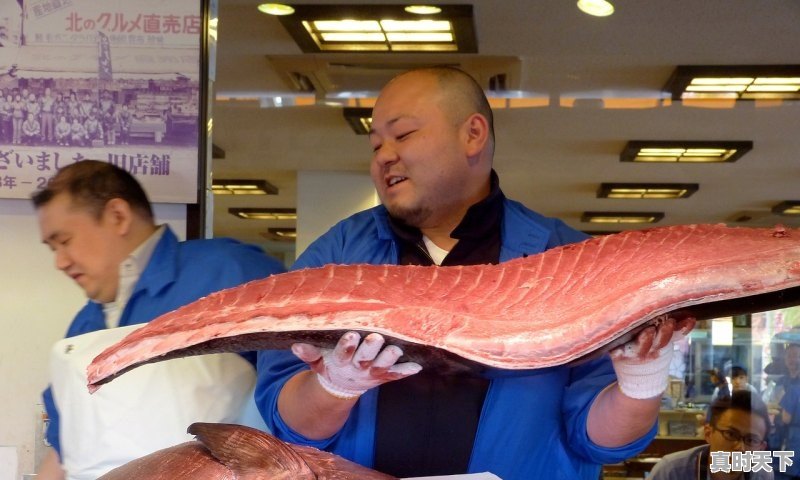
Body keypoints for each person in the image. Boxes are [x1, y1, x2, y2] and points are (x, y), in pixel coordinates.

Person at [254, 67, 695, 479]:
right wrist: (333, 386)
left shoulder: (564, 257)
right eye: (375, 145)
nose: (385, 156)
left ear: (473, 135)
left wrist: (641, 381)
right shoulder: (337, 257)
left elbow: (599, 441)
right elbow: (289, 425)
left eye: (403, 134)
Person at [33, 160, 286, 479]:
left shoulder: (229, 274)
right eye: (52, 247)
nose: (59, 261)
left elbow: (301, 392)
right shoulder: (82, 331)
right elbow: (62, 448)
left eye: (65, 240)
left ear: (117, 216)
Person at [649, 390, 772, 480]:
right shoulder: (671, 472)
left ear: (761, 449)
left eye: (751, 440)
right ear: (708, 433)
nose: (740, 448)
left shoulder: (762, 475)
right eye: (730, 434)